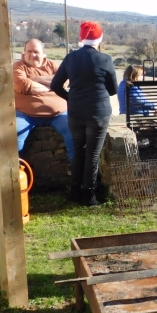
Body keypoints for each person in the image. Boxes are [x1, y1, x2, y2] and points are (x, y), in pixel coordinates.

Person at [50, 21, 117, 206]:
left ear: (81, 38)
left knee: (79, 152)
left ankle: (75, 192)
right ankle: (89, 196)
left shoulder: (70, 58)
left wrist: (70, 98)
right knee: (92, 156)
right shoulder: (105, 60)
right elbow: (112, 90)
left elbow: (55, 85)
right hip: (98, 113)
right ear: (100, 38)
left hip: (76, 113)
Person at [13, 39, 74, 163]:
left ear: (44, 53)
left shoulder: (52, 65)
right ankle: (19, 173)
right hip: (25, 115)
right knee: (14, 136)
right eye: (29, 51)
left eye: (36, 51)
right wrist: (53, 85)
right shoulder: (18, 66)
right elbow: (22, 85)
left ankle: (78, 173)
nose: (32, 55)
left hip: (58, 114)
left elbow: (65, 82)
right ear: (23, 53)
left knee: (74, 133)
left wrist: (35, 79)